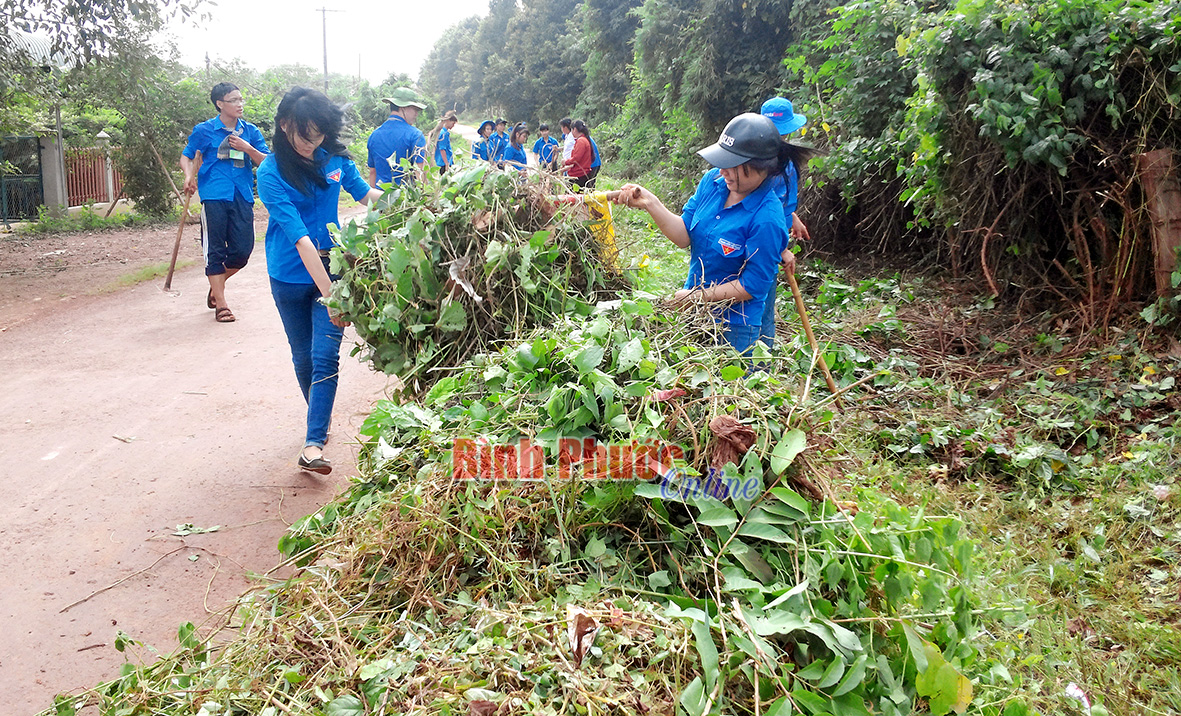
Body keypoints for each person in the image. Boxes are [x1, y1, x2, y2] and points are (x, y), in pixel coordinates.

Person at [257, 87, 384, 475]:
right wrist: (334, 299)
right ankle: (319, 419)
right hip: (290, 275)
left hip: (332, 270)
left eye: (318, 135)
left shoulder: (335, 160)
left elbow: (366, 196)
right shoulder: (270, 172)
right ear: (283, 126)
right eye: (303, 135)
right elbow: (300, 239)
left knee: (326, 355)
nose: (311, 144)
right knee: (302, 357)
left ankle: (312, 443)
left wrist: (418, 201)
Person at [611, 113, 791, 355]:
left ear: (761, 168)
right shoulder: (714, 181)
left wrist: (697, 297)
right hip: (697, 315)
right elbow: (684, 235)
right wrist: (650, 202)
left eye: (733, 166)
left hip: (734, 329)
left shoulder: (767, 218)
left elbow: (753, 285)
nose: (724, 170)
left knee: (725, 389)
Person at [180, 82, 269, 323]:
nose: (240, 104)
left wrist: (248, 148)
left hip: (242, 195)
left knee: (242, 252)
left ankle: (215, 286)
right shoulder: (204, 130)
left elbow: (266, 162)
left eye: (242, 99)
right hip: (213, 196)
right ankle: (222, 304)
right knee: (215, 251)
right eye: (234, 100)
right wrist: (189, 176)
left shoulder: (251, 132)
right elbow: (187, 156)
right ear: (220, 103)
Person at [758, 96, 817, 348]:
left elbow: (780, 202)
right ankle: (756, 370)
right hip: (760, 246)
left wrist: (792, 217)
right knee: (759, 310)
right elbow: (758, 208)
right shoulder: (758, 165)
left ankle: (758, 366)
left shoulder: (787, 162)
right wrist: (781, 249)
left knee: (764, 309)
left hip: (771, 243)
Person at [366, 87, 427, 187]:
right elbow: (419, 173)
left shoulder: (374, 135)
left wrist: (373, 201)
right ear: (403, 107)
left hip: (380, 198)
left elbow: (373, 172)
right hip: (406, 200)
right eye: (414, 109)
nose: (416, 114)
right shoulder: (416, 135)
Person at [563, 119, 594, 189]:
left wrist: (566, 162)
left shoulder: (581, 141)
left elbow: (576, 158)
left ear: (575, 129)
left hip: (579, 175)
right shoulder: (583, 140)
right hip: (581, 174)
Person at [431, 110, 458, 175]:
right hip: (444, 163)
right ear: (447, 121)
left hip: (442, 162)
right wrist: (446, 164)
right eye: (453, 123)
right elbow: (442, 149)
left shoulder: (442, 132)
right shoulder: (444, 134)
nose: (453, 126)